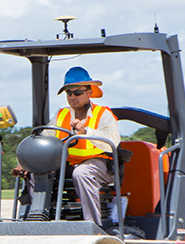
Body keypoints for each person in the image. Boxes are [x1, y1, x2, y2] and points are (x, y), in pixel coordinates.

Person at [13, 66, 121, 225]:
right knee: (35, 170)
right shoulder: (61, 115)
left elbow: (113, 141)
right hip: (67, 164)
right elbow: (45, 138)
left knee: (82, 173)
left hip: (100, 165)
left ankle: (92, 226)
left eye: (77, 92)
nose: (72, 97)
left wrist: (86, 132)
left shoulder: (103, 114)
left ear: (89, 93)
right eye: (69, 93)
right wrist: (25, 164)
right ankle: (38, 220)